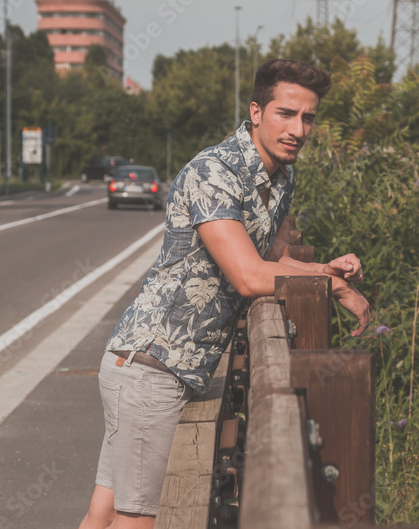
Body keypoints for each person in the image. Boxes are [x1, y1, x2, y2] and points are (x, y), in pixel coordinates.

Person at [78, 59, 370, 529]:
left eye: (308, 118)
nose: (298, 129)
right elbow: (249, 277)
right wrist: (331, 286)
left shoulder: (280, 177)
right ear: (256, 112)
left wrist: (321, 270)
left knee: (105, 512)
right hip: (153, 365)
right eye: (285, 113)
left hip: (155, 366)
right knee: (137, 520)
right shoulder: (214, 172)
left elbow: (271, 256)